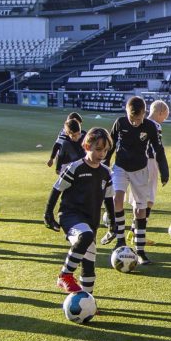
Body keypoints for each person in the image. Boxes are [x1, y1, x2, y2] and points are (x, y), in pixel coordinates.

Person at [44, 126, 113, 294]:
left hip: (91, 221)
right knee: (85, 236)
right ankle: (64, 275)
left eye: (105, 150)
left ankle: (87, 302)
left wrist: (113, 224)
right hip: (70, 216)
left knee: (89, 267)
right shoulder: (75, 167)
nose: (102, 154)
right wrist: (48, 215)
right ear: (86, 146)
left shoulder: (106, 173)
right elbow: (56, 189)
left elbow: (109, 199)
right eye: (98, 149)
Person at [106, 96, 168, 265]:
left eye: (138, 119)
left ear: (144, 114)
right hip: (120, 167)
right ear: (126, 112)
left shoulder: (149, 126)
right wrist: (104, 165)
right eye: (131, 119)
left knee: (140, 210)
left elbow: (158, 149)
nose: (134, 123)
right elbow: (110, 145)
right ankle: (120, 240)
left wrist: (164, 170)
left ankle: (140, 250)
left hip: (141, 170)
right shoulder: (120, 123)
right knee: (117, 198)